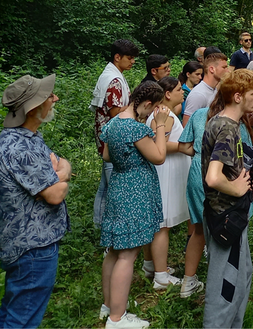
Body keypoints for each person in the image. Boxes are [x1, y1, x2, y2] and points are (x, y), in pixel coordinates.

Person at [0, 74, 70, 329]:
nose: (55, 98)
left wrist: (58, 175)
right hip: (32, 248)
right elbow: (55, 194)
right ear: (34, 108)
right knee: (21, 319)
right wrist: (58, 179)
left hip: (30, 244)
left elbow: (62, 166)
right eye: (49, 96)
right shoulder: (19, 148)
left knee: (12, 313)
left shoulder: (29, 137)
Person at [99, 82, 169, 329]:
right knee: (128, 254)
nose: (151, 113)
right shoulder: (134, 129)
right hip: (134, 192)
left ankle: (109, 305)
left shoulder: (114, 123)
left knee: (115, 251)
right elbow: (159, 157)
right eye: (153, 110)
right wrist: (160, 125)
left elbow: (107, 155)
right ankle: (117, 319)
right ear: (148, 104)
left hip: (118, 187)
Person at [177, 88, 253, 300]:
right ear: (236, 96)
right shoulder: (232, 124)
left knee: (198, 230)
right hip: (224, 183)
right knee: (224, 237)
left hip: (197, 171)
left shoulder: (201, 115)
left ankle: (188, 280)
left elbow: (184, 145)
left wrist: (203, 153)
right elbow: (245, 154)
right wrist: (244, 186)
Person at [201, 69, 253, 328]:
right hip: (225, 217)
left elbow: (226, 169)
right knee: (225, 286)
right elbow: (213, 178)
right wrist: (238, 189)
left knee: (242, 275)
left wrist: (246, 179)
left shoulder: (223, 122)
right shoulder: (227, 128)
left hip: (231, 215)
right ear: (238, 96)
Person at [142, 77, 190, 290]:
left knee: (157, 224)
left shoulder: (163, 113)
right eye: (180, 90)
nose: (183, 93)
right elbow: (156, 143)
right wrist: (183, 146)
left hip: (164, 171)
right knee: (162, 225)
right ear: (168, 94)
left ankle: (151, 266)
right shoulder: (165, 115)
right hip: (164, 173)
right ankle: (161, 276)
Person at [91, 39, 139, 229]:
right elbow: (115, 113)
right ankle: (113, 229)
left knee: (104, 185)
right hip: (112, 138)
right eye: (129, 57)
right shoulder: (114, 81)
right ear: (117, 57)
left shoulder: (111, 74)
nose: (133, 61)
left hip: (106, 136)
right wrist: (134, 108)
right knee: (114, 187)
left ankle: (99, 223)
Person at [183, 51, 229, 127]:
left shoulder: (214, 90)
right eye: (224, 67)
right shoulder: (198, 94)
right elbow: (186, 126)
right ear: (212, 69)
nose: (227, 71)